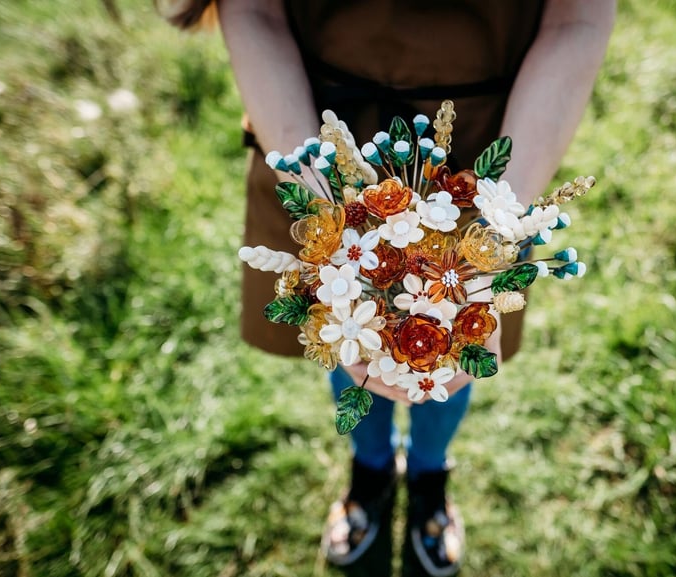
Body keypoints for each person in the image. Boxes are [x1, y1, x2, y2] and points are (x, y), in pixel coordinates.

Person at [161, 1, 615, 574]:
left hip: (490, 139)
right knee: (345, 324)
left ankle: (430, 473)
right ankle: (369, 470)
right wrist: (327, 209)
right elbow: (253, 8)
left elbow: (577, 17)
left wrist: (499, 224)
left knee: (460, 335)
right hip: (313, 126)